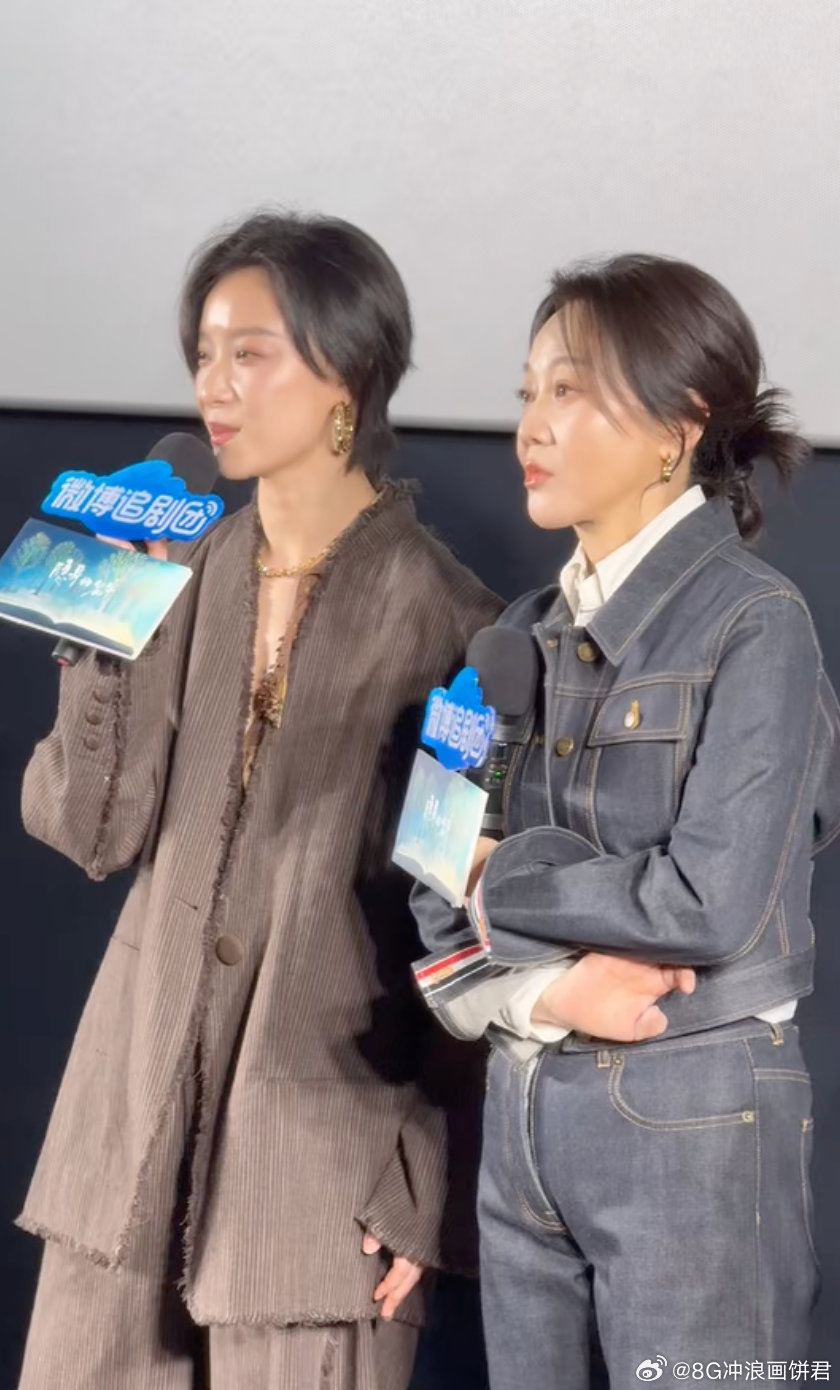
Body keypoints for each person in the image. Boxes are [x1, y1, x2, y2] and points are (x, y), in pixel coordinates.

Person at [16, 211, 502, 1390]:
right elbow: (92, 830)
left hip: (321, 1182)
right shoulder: (176, 571)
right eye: (203, 353)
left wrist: (425, 1187)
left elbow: (475, 935)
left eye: (250, 352)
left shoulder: (462, 626)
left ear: (346, 372)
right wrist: (105, 629)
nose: (212, 385)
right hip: (126, 1146)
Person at [411, 253, 840, 1386]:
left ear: (675, 430)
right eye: (527, 393)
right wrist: (549, 994)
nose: (531, 426)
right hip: (519, 1107)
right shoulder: (513, 632)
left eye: (570, 390)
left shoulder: (758, 625)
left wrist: (503, 881)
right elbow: (426, 874)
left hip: (691, 1112)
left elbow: (707, 902)